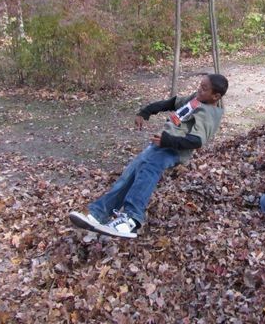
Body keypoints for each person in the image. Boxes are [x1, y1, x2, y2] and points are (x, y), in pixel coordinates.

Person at [69, 73, 228, 239]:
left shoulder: (209, 113)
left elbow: (196, 141)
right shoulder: (196, 99)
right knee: (129, 175)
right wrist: (146, 111)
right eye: (199, 85)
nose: (199, 90)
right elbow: (172, 103)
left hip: (172, 150)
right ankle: (98, 214)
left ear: (215, 96)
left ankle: (131, 219)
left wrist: (167, 140)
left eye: (204, 89)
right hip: (160, 145)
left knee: (147, 171)